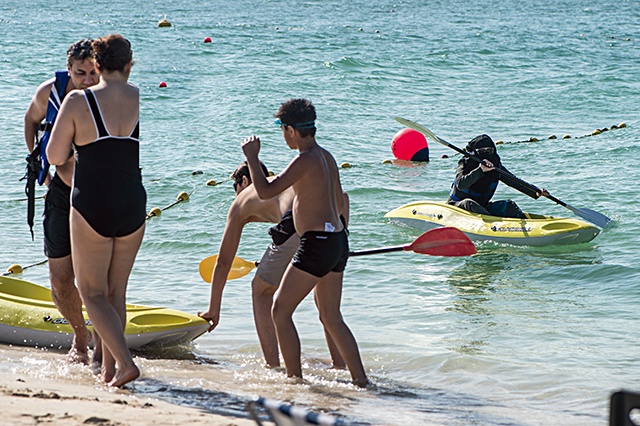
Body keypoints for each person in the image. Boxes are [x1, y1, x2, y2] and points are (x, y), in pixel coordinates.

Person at [241, 98, 368, 387]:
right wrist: (337, 243)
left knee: (280, 310)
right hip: (336, 239)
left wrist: (252, 156)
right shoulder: (326, 156)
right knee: (331, 317)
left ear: (290, 131)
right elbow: (339, 201)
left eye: (282, 129)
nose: (283, 135)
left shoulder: (304, 160)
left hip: (317, 244)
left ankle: (294, 380)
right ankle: (361, 381)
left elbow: (264, 190)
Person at [47, 34, 145, 388]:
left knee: (91, 293)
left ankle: (126, 363)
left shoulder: (77, 100)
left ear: (98, 65)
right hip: (133, 200)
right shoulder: (135, 95)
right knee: (116, 292)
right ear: (129, 65)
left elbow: (55, 157)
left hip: (93, 202)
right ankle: (109, 371)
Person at [198, 161, 347, 370]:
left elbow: (223, 262)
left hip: (296, 222)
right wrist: (341, 240)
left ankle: (274, 366)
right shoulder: (280, 183)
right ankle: (339, 366)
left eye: (236, 188)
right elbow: (343, 197)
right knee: (326, 305)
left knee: (261, 290)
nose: (236, 194)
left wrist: (214, 308)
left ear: (244, 181)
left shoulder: (243, 198)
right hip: (333, 226)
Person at [24, 39, 102, 365]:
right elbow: (30, 120)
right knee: (59, 279)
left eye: (93, 73)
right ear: (69, 69)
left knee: (93, 278)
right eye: (80, 73)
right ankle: (79, 337)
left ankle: (102, 338)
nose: (87, 80)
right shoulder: (50, 92)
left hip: (97, 196)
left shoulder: (107, 98)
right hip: (59, 191)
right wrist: (36, 164)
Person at [447, 134, 549, 218]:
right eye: (482, 151)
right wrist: (480, 170)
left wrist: (536, 191)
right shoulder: (465, 163)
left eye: (489, 151)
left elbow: (514, 181)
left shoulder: (495, 166)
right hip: (458, 205)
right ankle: (492, 225)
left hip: (483, 207)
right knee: (470, 203)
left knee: (508, 206)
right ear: (475, 152)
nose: (486, 154)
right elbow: (461, 184)